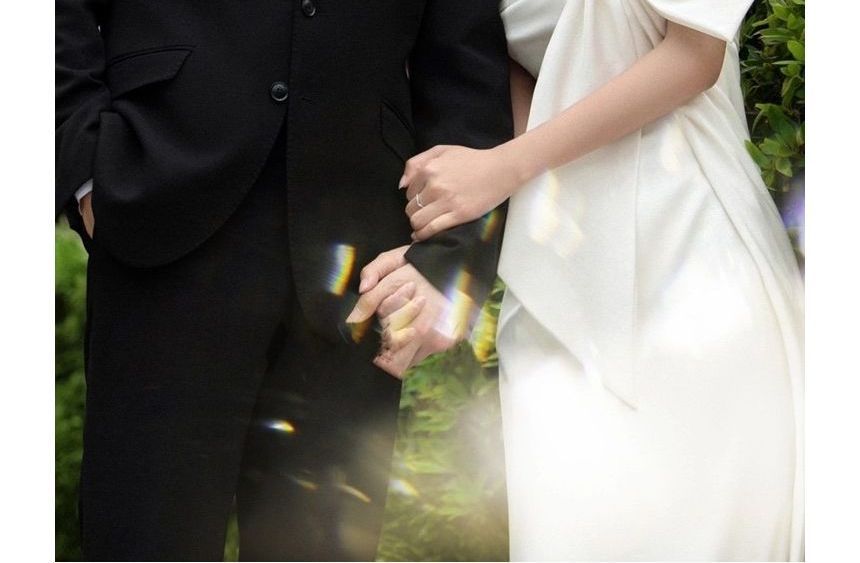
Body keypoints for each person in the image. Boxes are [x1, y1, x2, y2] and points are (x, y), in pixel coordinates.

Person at [55, 0, 512, 559]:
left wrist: (452, 258)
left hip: (360, 261)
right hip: (161, 213)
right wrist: (84, 171)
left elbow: (467, 72)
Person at [355, 0, 805, 560]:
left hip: (691, 256)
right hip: (558, 279)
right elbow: (505, 88)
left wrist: (503, 168)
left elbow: (693, 59)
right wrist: (442, 246)